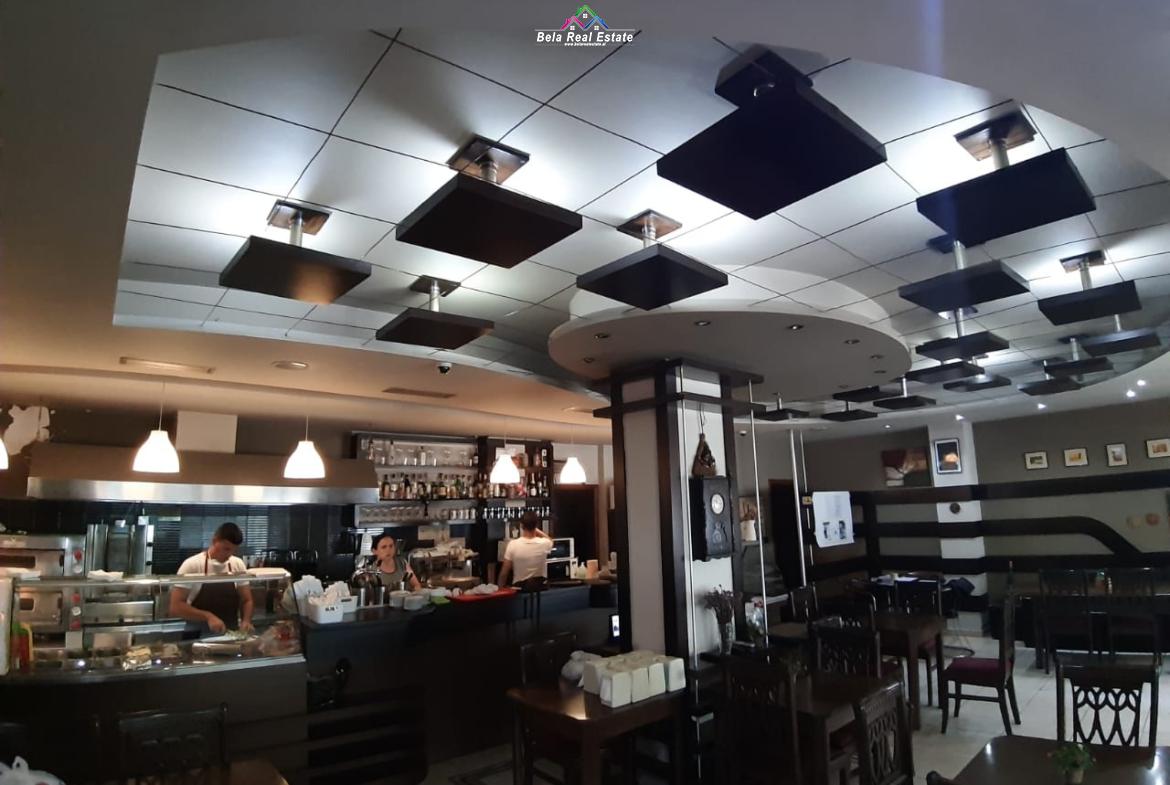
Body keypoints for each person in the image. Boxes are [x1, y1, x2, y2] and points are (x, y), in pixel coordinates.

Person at [170, 522, 254, 633]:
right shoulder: (192, 564)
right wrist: (207, 616)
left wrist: (246, 620)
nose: (229, 554)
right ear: (214, 541)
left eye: (234, 550)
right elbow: (176, 607)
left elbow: (247, 600)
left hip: (230, 633)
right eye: (226, 549)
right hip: (196, 633)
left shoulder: (238, 564)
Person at [497, 512, 553, 587]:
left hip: (520, 589)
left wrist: (500, 589)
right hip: (540, 588)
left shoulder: (513, 545)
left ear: (521, 525)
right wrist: (535, 529)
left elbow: (504, 573)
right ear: (536, 525)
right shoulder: (544, 543)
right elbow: (550, 540)